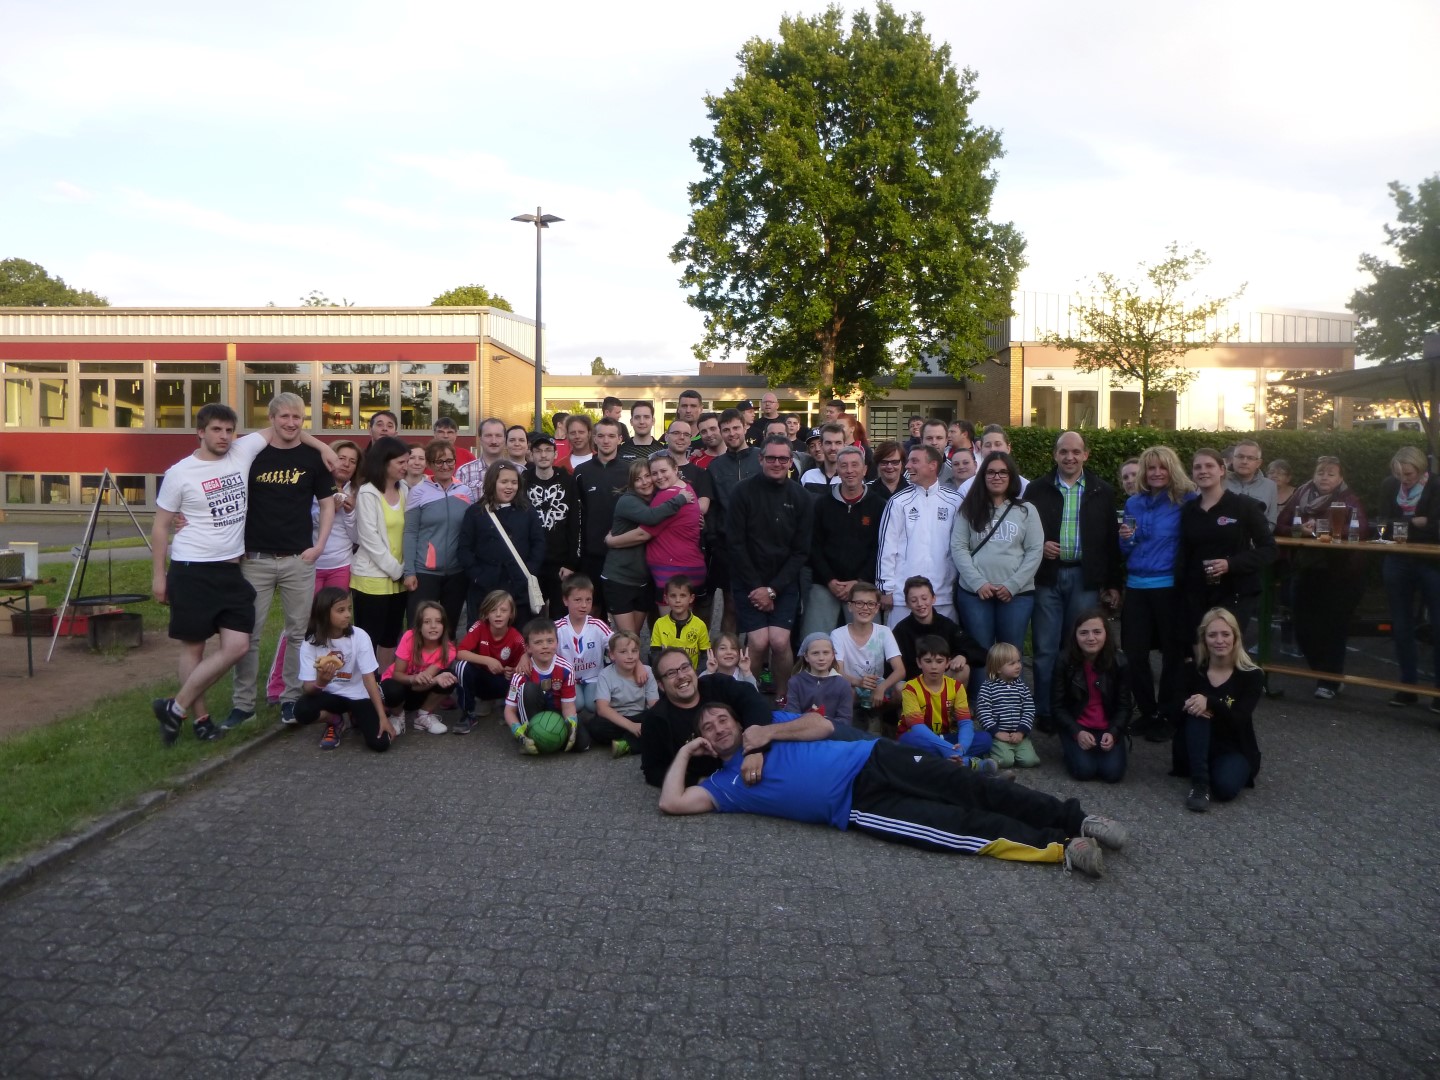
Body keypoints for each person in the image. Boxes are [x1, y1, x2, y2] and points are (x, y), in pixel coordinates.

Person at [659, 702, 1127, 878]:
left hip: (875, 757)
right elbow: (672, 802)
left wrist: (765, 734)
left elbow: (823, 725)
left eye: (723, 719)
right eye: (708, 728)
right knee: (956, 827)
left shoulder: (768, 726)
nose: (719, 728)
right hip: (861, 805)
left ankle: (1076, 818)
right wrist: (686, 752)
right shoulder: (725, 785)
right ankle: (1062, 847)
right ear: (705, 742)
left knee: (970, 785)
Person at [149, 404, 327, 743]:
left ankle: (174, 706)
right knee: (194, 649)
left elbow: (286, 426)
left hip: (232, 569)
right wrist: (159, 576)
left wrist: (325, 448)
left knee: (237, 645)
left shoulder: (241, 452)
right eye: (216, 430)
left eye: (229, 430)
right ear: (200, 432)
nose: (224, 437)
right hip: (191, 568)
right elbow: (160, 527)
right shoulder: (179, 473)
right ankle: (200, 719)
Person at [226, 393, 337, 728]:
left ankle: (290, 700)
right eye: (284, 417)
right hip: (255, 559)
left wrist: (319, 546)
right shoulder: (251, 455)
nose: (291, 423)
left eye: (297, 418)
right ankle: (243, 705)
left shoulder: (313, 458)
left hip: (297, 559)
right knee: (248, 634)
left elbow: (327, 504)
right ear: (271, 418)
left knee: (297, 634)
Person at [1023, 431, 1122, 733]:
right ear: (1055, 455)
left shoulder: (1101, 490)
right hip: (1047, 576)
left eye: (1076, 452)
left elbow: (1111, 541)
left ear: (1086, 455)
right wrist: (1039, 546)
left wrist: (1113, 583)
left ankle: (1074, 707)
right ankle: (1045, 710)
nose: (1070, 457)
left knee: (1079, 646)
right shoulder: (1037, 489)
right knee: (1045, 648)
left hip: (1084, 578)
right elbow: (1023, 531)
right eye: (1064, 452)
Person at [264, 438, 361, 706]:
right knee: (300, 625)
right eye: (342, 458)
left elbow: (356, 536)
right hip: (310, 564)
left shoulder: (355, 491)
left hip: (340, 565)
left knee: (334, 626)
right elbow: (300, 522)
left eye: (352, 461)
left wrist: (349, 512)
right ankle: (278, 685)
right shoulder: (310, 481)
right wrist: (327, 508)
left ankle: (325, 679)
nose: (346, 464)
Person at [727, 434, 815, 703]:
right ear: (760, 458)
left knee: (778, 641)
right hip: (748, 581)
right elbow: (735, 543)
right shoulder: (741, 492)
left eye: (783, 459)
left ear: (791, 461)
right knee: (758, 642)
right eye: (771, 458)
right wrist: (757, 588)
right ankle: (747, 697)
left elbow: (801, 551)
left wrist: (773, 590)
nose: (777, 463)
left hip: (783, 582)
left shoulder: (801, 497)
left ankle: (783, 697)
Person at [1118, 446, 1194, 739]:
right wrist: (1125, 539)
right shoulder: (1133, 502)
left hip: (1168, 586)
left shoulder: (1186, 501)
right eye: (1151, 468)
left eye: (1162, 467)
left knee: (1173, 655)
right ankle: (1148, 711)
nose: (1157, 473)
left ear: (1172, 469)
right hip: (1136, 585)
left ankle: (1168, 714)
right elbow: (1126, 548)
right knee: (1134, 654)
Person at [1278, 455, 1369, 699]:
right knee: (1302, 627)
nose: (1324, 478)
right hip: (1305, 569)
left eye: (1330, 474)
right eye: (1320, 473)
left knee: (1333, 628)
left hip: (1340, 572)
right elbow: (1280, 525)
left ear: (1340, 478)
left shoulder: (1349, 499)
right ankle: (1326, 674)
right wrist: (1299, 530)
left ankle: (1328, 681)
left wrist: (1320, 529)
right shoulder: (1301, 494)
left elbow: (1360, 530)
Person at [1177, 448, 1276, 642]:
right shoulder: (1189, 510)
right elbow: (1184, 552)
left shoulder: (1244, 506)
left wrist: (1230, 564)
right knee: (1199, 649)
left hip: (1234, 592)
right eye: (1197, 467)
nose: (1203, 471)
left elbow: (1269, 549)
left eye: (1209, 466)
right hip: (1197, 593)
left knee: (1225, 649)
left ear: (1222, 470)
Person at [639, 647, 773, 787]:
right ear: (661, 685)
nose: (681, 676)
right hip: (712, 782)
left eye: (685, 667)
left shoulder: (718, 684)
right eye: (671, 673)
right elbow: (653, 771)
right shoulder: (655, 720)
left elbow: (755, 703)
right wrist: (701, 783)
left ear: (694, 670)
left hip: (752, 760)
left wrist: (755, 750)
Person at [951, 451, 1044, 651]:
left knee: (1010, 655)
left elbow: (1035, 551)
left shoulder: (1026, 510)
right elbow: (959, 547)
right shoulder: (969, 509)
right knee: (979, 653)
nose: (997, 477)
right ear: (983, 476)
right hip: (975, 594)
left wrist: (1013, 585)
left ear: (1011, 476)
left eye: (1003, 472)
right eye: (991, 472)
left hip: (1016, 594)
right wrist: (978, 583)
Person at [1174, 607, 1264, 812]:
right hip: (1195, 744)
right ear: (1204, 640)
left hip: (1233, 747)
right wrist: (1191, 705)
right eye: (1212, 635)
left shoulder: (1252, 675)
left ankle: (1212, 773)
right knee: (1196, 709)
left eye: (1225, 634)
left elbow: (1239, 719)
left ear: (1235, 637)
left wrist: (1211, 702)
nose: (1219, 640)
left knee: (1225, 789)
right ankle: (1200, 784)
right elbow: (1172, 714)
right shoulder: (1191, 671)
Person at [296, 586, 397, 752]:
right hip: (330, 696)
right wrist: (321, 682)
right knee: (301, 711)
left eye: (349, 609)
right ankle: (335, 720)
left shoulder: (360, 636)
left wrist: (382, 717)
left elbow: (369, 679)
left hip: (358, 695)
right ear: (324, 613)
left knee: (380, 744)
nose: (348, 615)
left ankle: (356, 714)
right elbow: (308, 688)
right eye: (341, 610)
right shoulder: (310, 643)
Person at [803, 446, 887, 637]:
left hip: (864, 584)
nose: (849, 471)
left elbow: (880, 549)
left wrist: (859, 581)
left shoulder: (879, 505)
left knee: (869, 642)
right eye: (844, 466)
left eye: (855, 465)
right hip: (825, 583)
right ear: (837, 471)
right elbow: (813, 546)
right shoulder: (821, 505)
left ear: (865, 470)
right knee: (815, 639)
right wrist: (830, 580)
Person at [877, 444, 965, 626]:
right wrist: (886, 589)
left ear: (932, 465)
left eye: (914, 461)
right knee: (901, 644)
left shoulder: (955, 501)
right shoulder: (898, 501)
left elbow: (962, 546)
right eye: (908, 461)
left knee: (942, 644)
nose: (908, 466)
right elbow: (886, 547)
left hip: (943, 596)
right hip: (903, 598)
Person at [1379, 446, 1440, 708]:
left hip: (1432, 562)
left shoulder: (1436, 486)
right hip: (1398, 559)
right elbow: (1383, 523)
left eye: (1409, 474)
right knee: (1401, 623)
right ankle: (1407, 686)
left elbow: (1437, 528)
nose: (1403, 479)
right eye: (1399, 474)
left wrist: (1405, 524)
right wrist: (1417, 522)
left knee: (1438, 624)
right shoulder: (1389, 485)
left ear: (1421, 469)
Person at [602, 459, 692, 636]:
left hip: (642, 580)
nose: (644, 482)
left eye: (647, 476)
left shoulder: (656, 499)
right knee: (628, 638)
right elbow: (650, 517)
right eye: (638, 479)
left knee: (634, 636)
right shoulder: (628, 501)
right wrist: (680, 499)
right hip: (620, 579)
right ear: (631, 483)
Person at [457, 460, 546, 627]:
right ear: (492, 482)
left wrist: (528, 572)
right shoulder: (475, 512)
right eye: (504, 482)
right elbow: (464, 549)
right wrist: (478, 577)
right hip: (486, 590)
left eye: (514, 482)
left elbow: (538, 544)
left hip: (519, 587)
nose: (509, 487)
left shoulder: (527, 511)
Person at [402, 439, 474, 637]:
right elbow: (410, 532)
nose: (445, 466)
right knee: (420, 628)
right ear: (430, 464)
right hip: (425, 572)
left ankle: (447, 657)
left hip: (457, 572)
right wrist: (409, 572)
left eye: (449, 461)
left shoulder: (465, 491)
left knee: (449, 628)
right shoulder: (418, 492)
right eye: (439, 461)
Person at [351, 436, 411, 673]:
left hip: (399, 579)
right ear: (384, 462)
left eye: (406, 461)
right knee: (368, 636)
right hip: (372, 578)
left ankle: (384, 681)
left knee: (390, 635)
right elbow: (370, 538)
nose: (405, 466)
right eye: (401, 462)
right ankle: (364, 684)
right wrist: (398, 571)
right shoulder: (368, 493)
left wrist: (404, 570)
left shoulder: (404, 489)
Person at [1052, 609, 1132, 784]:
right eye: (1083, 633)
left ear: (1106, 634)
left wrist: (1114, 733)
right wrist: (1076, 732)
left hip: (1107, 726)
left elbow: (1125, 706)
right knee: (1084, 771)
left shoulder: (1120, 661)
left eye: (1097, 632)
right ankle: (1071, 749)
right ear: (1075, 636)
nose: (1091, 638)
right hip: (1077, 725)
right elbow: (1057, 706)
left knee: (1112, 774)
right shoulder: (1064, 660)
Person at [897, 634, 992, 769]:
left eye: (939, 661)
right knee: (908, 740)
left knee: (985, 739)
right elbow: (917, 727)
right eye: (928, 661)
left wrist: (962, 746)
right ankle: (968, 762)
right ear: (919, 662)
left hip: (947, 738)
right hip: (921, 738)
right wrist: (950, 750)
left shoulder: (956, 687)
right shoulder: (910, 688)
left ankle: (946, 760)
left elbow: (965, 722)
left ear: (948, 663)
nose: (934, 666)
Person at [504, 616, 587, 754]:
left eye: (550, 641)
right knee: (528, 689)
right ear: (528, 647)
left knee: (582, 744)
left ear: (557, 643)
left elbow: (568, 706)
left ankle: (548, 740)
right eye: (538, 642)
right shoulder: (521, 672)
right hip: (532, 715)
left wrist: (571, 725)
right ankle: (529, 736)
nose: (545, 646)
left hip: (556, 714)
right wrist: (517, 732)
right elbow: (509, 710)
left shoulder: (566, 668)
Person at [574, 417, 631, 614]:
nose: (606, 440)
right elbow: (575, 515)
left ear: (620, 439)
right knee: (593, 609)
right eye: (601, 436)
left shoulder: (630, 471)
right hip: (592, 554)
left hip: (622, 552)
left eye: (611, 436)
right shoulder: (581, 472)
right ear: (594, 438)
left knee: (622, 611)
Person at [830, 581, 905, 730]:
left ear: (877, 608)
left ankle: (886, 721)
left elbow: (900, 670)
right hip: (853, 686)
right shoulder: (838, 634)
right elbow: (838, 670)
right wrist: (858, 681)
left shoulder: (884, 632)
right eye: (859, 603)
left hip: (878, 687)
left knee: (903, 689)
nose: (865, 608)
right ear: (850, 606)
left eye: (871, 604)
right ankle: (847, 729)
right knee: (845, 690)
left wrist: (882, 687)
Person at [524, 434, 582, 618]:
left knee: (560, 617)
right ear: (531, 454)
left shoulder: (567, 481)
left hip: (560, 564)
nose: (543, 455)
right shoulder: (523, 480)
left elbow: (575, 523)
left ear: (555, 454)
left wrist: (571, 563)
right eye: (538, 451)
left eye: (548, 450)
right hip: (531, 563)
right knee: (532, 617)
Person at [378, 600, 457, 735]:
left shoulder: (448, 650)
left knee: (449, 677)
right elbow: (397, 674)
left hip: (420, 688)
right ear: (419, 626)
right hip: (399, 685)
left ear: (444, 625)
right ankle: (397, 716)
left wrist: (436, 680)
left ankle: (423, 715)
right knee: (392, 689)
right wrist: (415, 678)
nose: (433, 626)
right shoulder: (409, 637)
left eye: (438, 621)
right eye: (427, 622)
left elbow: (420, 684)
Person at [451, 589, 525, 734]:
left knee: (521, 679)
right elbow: (459, 653)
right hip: (481, 679)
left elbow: (524, 665)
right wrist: (487, 660)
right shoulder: (479, 627)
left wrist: (512, 671)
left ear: (511, 614)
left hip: (502, 683)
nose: (498, 614)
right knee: (462, 666)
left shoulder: (516, 638)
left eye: (503, 610)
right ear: (486, 614)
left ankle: (511, 707)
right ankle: (468, 714)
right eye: (493, 610)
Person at [891, 576, 981, 689]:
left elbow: (978, 651)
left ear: (933, 598)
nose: (920, 603)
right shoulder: (901, 630)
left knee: (963, 669)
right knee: (899, 687)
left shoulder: (946, 625)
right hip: (915, 686)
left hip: (941, 684)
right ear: (907, 604)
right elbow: (891, 667)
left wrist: (963, 655)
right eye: (914, 600)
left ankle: (954, 701)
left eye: (924, 598)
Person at [642, 453, 706, 598]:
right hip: (688, 564)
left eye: (664, 471)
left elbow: (643, 533)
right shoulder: (686, 488)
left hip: (672, 568)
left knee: (671, 613)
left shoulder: (667, 495)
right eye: (654, 473)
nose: (659, 477)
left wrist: (613, 540)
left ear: (676, 469)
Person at [590, 630, 659, 757]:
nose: (630, 656)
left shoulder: (647, 672)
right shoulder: (605, 675)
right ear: (612, 655)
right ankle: (639, 738)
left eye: (634, 651)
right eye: (623, 652)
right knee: (596, 727)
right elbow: (602, 708)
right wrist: (631, 726)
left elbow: (654, 704)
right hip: (617, 718)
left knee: (660, 721)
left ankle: (627, 743)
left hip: (640, 716)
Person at [553, 574, 612, 721]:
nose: (584, 605)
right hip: (569, 680)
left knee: (593, 705)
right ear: (565, 600)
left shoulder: (598, 625)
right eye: (578, 600)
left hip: (594, 678)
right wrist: (524, 657)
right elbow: (540, 648)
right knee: (577, 703)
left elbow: (619, 644)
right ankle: (568, 724)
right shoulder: (557, 628)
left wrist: (637, 665)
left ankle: (598, 723)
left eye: (588, 600)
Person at [976, 642, 1040, 769]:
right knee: (1006, 761)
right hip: (998, 735)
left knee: (1030, 761)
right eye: (1012, 663)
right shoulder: (988, 688)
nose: (1018, 666)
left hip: (1019, 735)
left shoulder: (1022, 687)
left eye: (1019, 661)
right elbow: (983, 712)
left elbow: (1029, 710)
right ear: (998, 668)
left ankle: (1015, 749)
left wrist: (1021, 732)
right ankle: (988, 755)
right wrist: (996, 732)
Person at [787, 633, 855, 727]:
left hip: (833, 733)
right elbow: (791, 715)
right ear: (806, 657)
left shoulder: (843, 685)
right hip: (802, 731)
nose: (821, 658)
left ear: (833, 655)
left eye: (826, 652)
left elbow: (845, 720)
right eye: (815, 653)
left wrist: (823, 725)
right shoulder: (796, 682)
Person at [651, 575, 710, 667]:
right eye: (673, 596)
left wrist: (698, 673)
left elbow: (705, 655)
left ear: (691, 598)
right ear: (666, 599)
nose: (677, 600)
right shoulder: (659, 624)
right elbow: (655, 654)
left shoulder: (700, 625)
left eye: (683, 595)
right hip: (667, 673)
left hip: (691, 673)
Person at [958, 426, 1029, 497]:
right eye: (987, 445)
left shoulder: (1025, 487)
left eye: (998, 444)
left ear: (1008, 448)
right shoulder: (966, 489)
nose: (992, 449)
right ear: (981, 449)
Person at [1226, 439, 1279, 527]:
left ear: (1258, 463)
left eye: (1250, 458)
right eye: (1240, 456)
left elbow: (1271, 521)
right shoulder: (1219, 483)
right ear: (1233, 459)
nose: (1244, 461)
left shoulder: (1270, 486)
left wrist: (1260, 534)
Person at [455, 416, 506, 492]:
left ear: (505, 439)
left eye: (498, 436)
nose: (494, 441)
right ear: (480, 440)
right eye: (488, 436)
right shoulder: (464, 472)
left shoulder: (519, 470)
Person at [800, 422, 846, 493]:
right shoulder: (808, 477)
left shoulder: (851, 477)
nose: (833, 448)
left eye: (838, 443)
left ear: (844, 445)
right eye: (828, 443)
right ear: (822, 445)